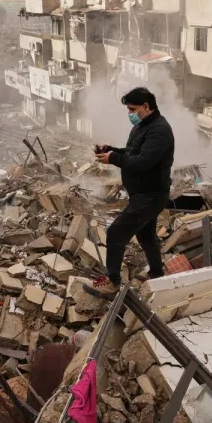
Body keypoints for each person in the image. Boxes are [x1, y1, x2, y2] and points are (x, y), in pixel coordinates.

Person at [85, 86, 175, 299]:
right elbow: (133, 152)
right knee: (146, 236)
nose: (130, 114)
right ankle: (157, 274)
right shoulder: (143, 126)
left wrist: (113, 159)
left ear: (146, 106)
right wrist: (112, 150)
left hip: (151, 195)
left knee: (116, 233)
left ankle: (112, 283)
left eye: (133, 109)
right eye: (128, 109)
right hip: (142, 194)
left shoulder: (159, 130)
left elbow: (143, 162)